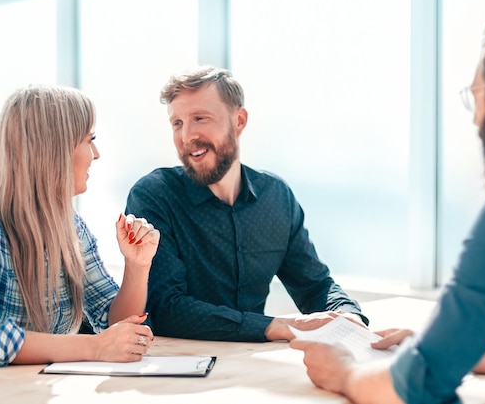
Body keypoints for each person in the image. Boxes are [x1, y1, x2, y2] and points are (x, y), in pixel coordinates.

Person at [290, 15, 485, 404]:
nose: (474, 118)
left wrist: (344, 373)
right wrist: (443, 346)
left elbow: (421, 389)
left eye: (476, 97)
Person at [0, 85, 160, 368]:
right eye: (88, 140)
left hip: (24, 389)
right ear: (54, 149)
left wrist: (137, 265)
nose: (96, 154)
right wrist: (95, 346)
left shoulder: (71, 227)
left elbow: (115, 325)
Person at [125, 66, 367, 342]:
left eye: (200, 118)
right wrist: (276, 326)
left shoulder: (276, 196)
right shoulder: (154, 196)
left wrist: (349, 317)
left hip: (249, 365)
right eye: (177, 123)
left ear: (239, 120)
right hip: (178, 368)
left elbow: (315, 286)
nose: (186, 135)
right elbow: (166, 309)